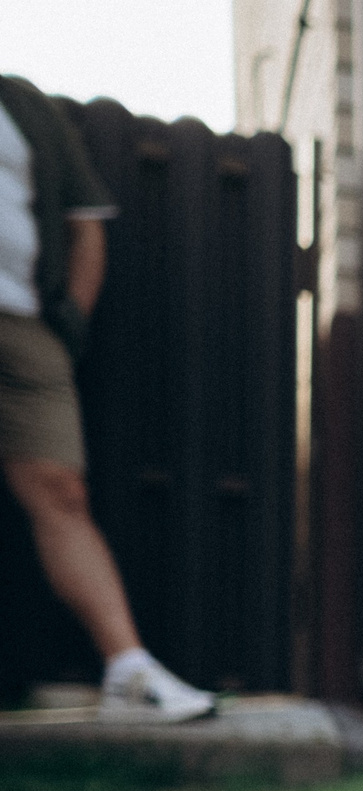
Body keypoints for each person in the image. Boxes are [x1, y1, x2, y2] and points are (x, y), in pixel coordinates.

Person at [0, 73, 212, 722]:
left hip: (25, 324)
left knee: (64, 490)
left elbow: (86, 224)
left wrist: (69, 330)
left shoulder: (22, 105)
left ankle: (129, 674)